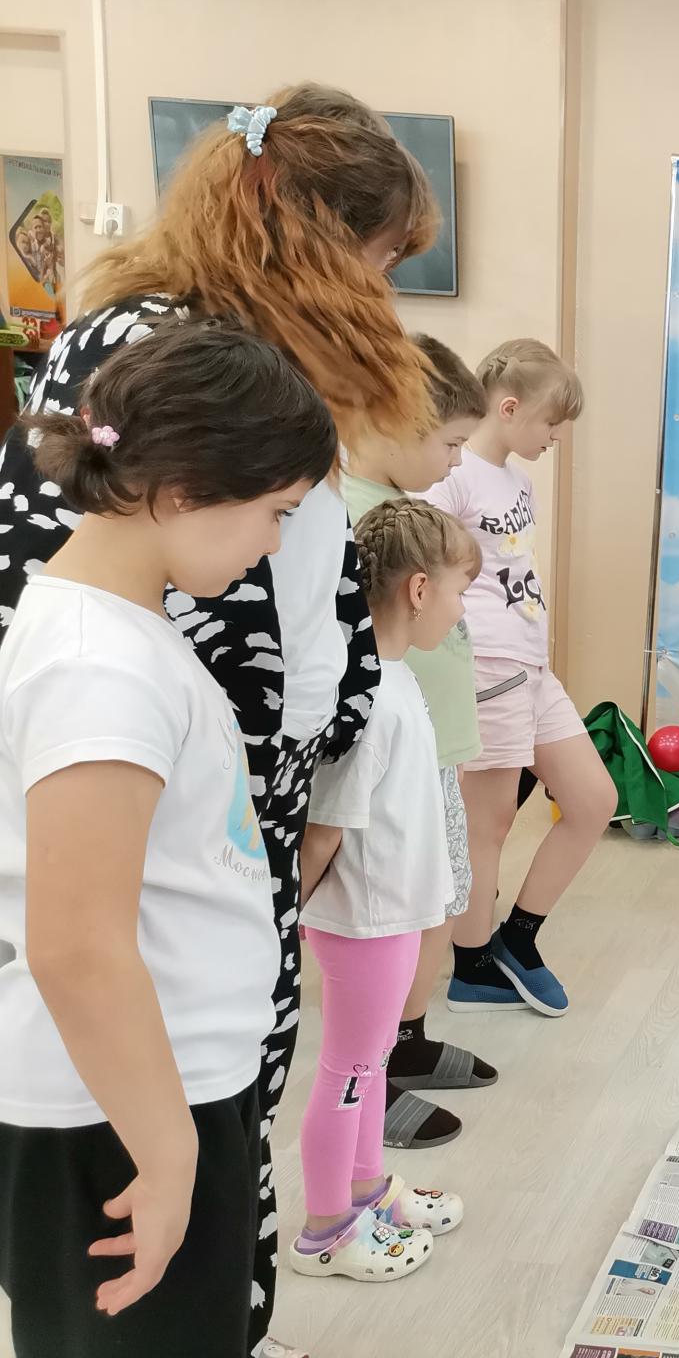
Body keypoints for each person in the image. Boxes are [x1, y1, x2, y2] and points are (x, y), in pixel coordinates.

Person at [0, 81, 436, 1358]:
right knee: (146, 1232)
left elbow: (316, 612)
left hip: (217, 866)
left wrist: (319, 785)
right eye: (380, 255)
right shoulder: (107, 646)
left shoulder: (244, 383)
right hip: (149, 885)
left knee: (209, 1179)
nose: (383, 287)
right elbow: (83, 930)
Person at [0, 321, 336, 1356]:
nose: (273, 546)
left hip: (160, 1092)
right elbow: (76, 946)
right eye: (275, 513)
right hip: (116, 1117)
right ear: (185, 489)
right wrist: (167, 1153)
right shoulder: (98, 664)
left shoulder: (126, 633)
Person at [291, 498, 480, 1283]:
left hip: (392, 912)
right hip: (363, 918)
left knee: (370, 1065)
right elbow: (324, 828)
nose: (462, 609)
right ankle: (325, 1228)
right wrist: (283, 917)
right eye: (460, 590)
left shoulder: (393, 677)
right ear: (419, 590)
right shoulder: (365, 693)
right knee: (349, 1069)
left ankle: (365, 1190)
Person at [339, 335, 496, 1151]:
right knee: (401, 918)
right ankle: (380, 1071)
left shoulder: (394, 500)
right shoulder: (348, 507)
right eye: (449, 442)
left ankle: (408, 1038)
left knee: (438, 903)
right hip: (394, 756)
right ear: (400, 418)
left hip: (431, 747)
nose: (453, 460)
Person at [427, 338, 616, 1016]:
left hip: (531, 666)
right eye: (550, 423)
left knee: (593, 799)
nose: (556, 437)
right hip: (484, 667)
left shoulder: (518, 480)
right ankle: (472, 964)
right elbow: (423, 574)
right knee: (490, 822)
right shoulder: (451, 478)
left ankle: (517, 937)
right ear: (509, 408)